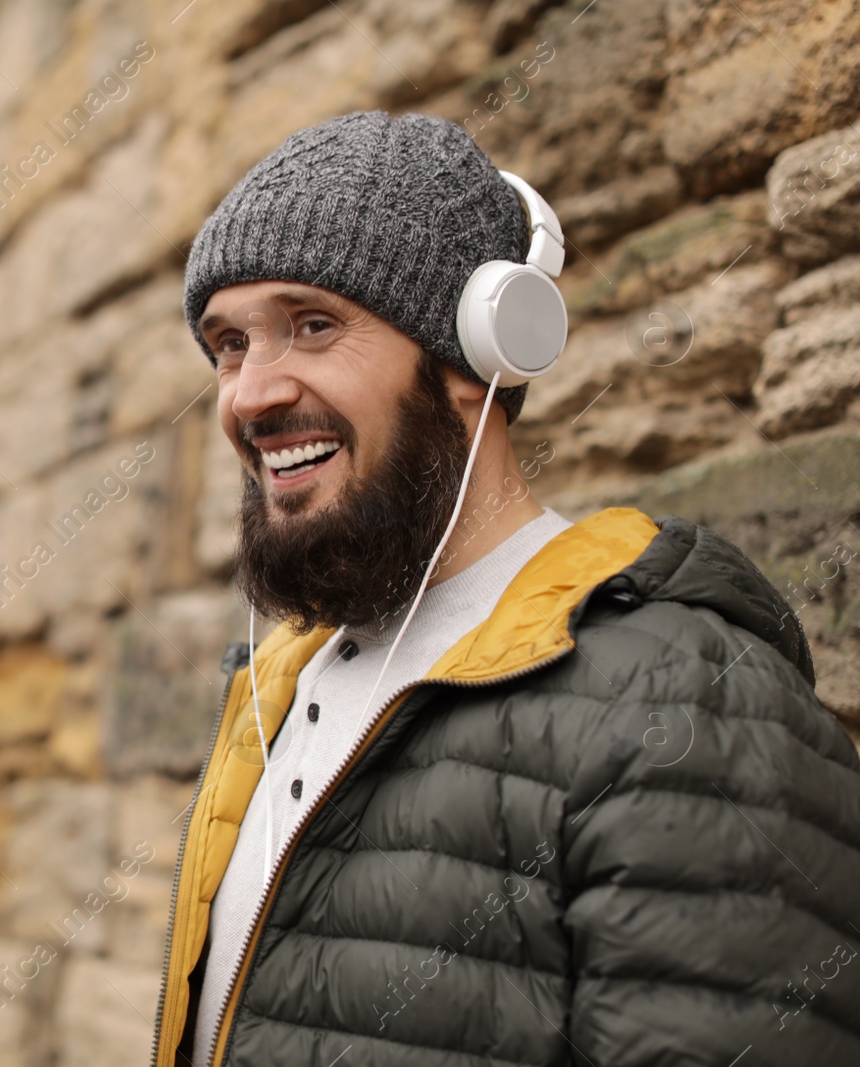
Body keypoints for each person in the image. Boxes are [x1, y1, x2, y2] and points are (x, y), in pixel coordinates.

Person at [151, 110, 860, 1067]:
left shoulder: (687, 701)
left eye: (311, 324)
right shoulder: (280, 690)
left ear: (481, 352)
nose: (250, 393)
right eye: (229, 343)